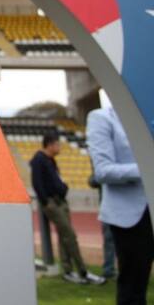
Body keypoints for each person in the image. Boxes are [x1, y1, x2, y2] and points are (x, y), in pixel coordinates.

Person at [87, 106, 153, 305]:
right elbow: (103, 171)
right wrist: (147, 168)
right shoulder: (101, 118)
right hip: (130, 216)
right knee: (133, 286)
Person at [30, 132, 105, 285]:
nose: (59, 147)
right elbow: (37, 183)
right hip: (53, 203)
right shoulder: (39, 160)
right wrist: (47, 202)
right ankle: (83, 271)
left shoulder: (50, 160)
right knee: (70, 236)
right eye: (57, 144)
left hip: (60, 201)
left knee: (65, 237)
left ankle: (68, 270)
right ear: (50, 144)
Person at [88, 171, 117, 279]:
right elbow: (92, 181)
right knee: (109, 239)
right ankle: (109, 270)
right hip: (107, 209)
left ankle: (129, 269)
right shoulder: (105, 168)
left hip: (123, 208)